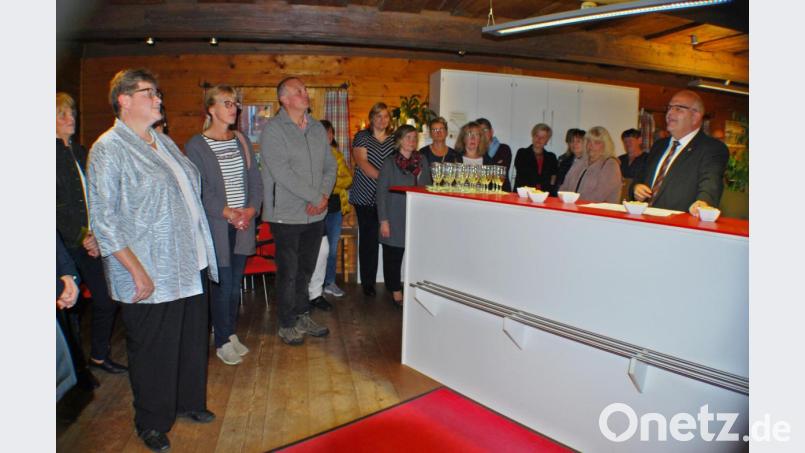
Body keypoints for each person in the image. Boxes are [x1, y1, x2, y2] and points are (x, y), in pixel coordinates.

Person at [87, 68, 219, 452]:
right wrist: (135, 270)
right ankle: (151, 421)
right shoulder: (109, 148)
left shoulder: (161, 142)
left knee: (190, 340)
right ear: (123, 100)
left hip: (187, 262)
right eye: (149, 93)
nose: (159, 99)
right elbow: (105, 220)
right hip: (149, 268)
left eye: (158, 93)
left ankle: (188, 402)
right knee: (152, 349)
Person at [185, 85, 263, 366]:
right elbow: (200, 190)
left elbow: (255, 180)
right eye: (227, 103)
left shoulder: (240, 139)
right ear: (211, 109)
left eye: (235, 103)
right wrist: (229, 212)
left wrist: (251, 210)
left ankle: (229, 333)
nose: (234, 108)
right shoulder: (196, 145)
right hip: (218, 226)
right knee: (222, 285)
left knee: (233, 286)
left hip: (242, 224)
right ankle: (220, 340)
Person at [259, 76, 336, 346]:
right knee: (288, 271)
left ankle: (303, 314)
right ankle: (287, 322)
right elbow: (283, 173)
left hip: (315, 213)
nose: (306, 94)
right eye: (299, 91)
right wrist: (316, 196)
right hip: (286, 214)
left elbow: (331, 165)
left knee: (306, 268)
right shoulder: (273, 130)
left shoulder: (315, 128)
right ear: (284, 99)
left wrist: (323, 197)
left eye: (305, 90)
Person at [56, 92, 127, 376]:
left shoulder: (81, 151)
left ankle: (98, 355)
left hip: (89, 241)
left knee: (105, 299)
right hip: (62, 245)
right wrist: (83, 235)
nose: (70, 118)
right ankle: (73, 370)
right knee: (67, 309)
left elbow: (96, 197)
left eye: (72, 112)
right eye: (62, 114)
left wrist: (95, 234)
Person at [631, 90, 729, 215]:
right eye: (669, 108)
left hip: (678, 228)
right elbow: (640, 177)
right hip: (643, 221)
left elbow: (711, 181)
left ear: (695, 116)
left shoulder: (712, 148)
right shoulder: (659, 145)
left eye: (678, 109)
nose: (670, 113)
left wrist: (704, 202)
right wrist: (637, 187)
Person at [376, 125, 432, 306]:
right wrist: (383, 220)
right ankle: (395, 291)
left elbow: (428, 188)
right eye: (408, 137)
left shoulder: (422, 161)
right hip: (394, 215)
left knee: (416, 256)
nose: (412, 141)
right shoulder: (389, 163)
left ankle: (413, 288)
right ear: (399, 140)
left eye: (414, 138)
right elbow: (381, 193)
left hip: (416, 216)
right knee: (393, 256)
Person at [349, 103, 395, 297]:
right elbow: (362, 162)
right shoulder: (362, 136)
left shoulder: (394, 140)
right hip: (365, 196)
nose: (382, 120)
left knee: (388, 239)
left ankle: (390, 281)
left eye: (385, 116)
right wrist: (385, 180)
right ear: (371, 118)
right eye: (378, 116)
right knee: (368, 240)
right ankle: (368, 283)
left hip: (388, 197)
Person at [320, 119, 353, 299]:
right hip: (316, 209)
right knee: (317, 249)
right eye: (325, 133)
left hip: (334, 209)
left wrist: (330, 185)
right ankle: (314, 285)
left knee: (332, 249)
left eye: (330, 133)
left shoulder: (337, 155)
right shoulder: (310, 155)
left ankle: (329, 282)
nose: (328, 136)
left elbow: (348, 179)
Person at [559, 126, 623, 203]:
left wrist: (573, 203)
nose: (591, 146)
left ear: (605, 145)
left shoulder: (610, 165)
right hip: (573, 208)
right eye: (589, 141)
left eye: (596, 142)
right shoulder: (580, 161)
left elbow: (597, 196)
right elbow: (564, 186)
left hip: (598, 212)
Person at [513, 123, 559, 194]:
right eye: (537, 136)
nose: (539, 139)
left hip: (545, 196)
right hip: (524, 195)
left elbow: (554, 176)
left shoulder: (551, 157)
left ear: (547, 140)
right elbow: (525, 174)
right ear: (533, 136)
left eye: (543, 137)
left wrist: (551, 187)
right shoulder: (522, 153)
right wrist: (545, 179)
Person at [476, 118, 512, 191]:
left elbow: (500, 174)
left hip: (502, 193)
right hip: (481, 193)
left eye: (485, 130)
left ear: (491, 131)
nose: (482, 133)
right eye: (479, 132)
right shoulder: (475, 151)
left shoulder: (504, 149)